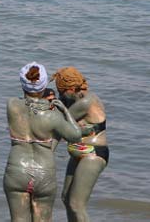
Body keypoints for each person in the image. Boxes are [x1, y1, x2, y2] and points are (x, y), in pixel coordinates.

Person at [3, 62, 81, 222]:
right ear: (44, 85)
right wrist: (65, 111)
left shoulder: (11, 105)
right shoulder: (52, 114)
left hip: (17, 170)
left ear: (22, 83)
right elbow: (76, 135)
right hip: (44, 173)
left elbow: (26, 103)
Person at [52, 67, 108, 222]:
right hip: (80, 154)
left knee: (77, 205)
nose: (60, 95)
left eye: (62, 92)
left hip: (93, 154)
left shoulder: (85, 102)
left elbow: (60, 123)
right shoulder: (77, 100)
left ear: (71, 89)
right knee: (66, 198)